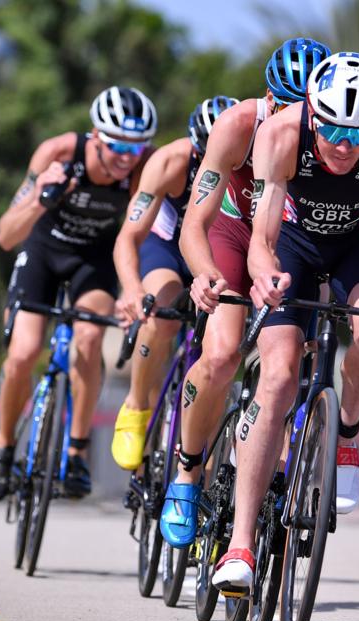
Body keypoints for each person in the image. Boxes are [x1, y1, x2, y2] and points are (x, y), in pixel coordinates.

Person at [211, 51, 359, 591]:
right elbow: (261, 242)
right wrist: (262, 277)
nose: (343, 143)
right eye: (331, 126)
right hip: (294, 245)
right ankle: (239, 547)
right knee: (280, 376)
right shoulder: (282, 134)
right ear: (311, 110)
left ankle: (348, 434)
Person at [156, 38, 332, 549]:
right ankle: (188, 472)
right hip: (234, 236)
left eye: (304, 109)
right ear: (267, 96)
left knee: (297, 362)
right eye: (283, 104)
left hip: (295, 246)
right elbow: (195, 223)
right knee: (222, 353)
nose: (292, 119)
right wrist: (204, 272)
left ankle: (275, 469)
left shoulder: (333, 138)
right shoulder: (238, 124)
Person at [0, 86, 157, 501]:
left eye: (137, 148)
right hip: (43, 251)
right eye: (117, 146)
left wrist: (135, 290)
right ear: (95, 135)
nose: (126, 158)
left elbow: (143, 237)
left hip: (92, 261)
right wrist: (44, 198)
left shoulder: (141, 170)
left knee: (90, 337)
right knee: (23, 353)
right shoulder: (58, 153)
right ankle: (2, 448)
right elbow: (6, 236)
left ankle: (76, 449)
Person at [110, 96, 239, 470]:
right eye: (205, 152)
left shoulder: (254, 162)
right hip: (166, 247)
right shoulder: (168, 162)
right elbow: (128, 237)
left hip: (217, 252)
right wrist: (134, 289)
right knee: (160, 312)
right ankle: (136, 405)